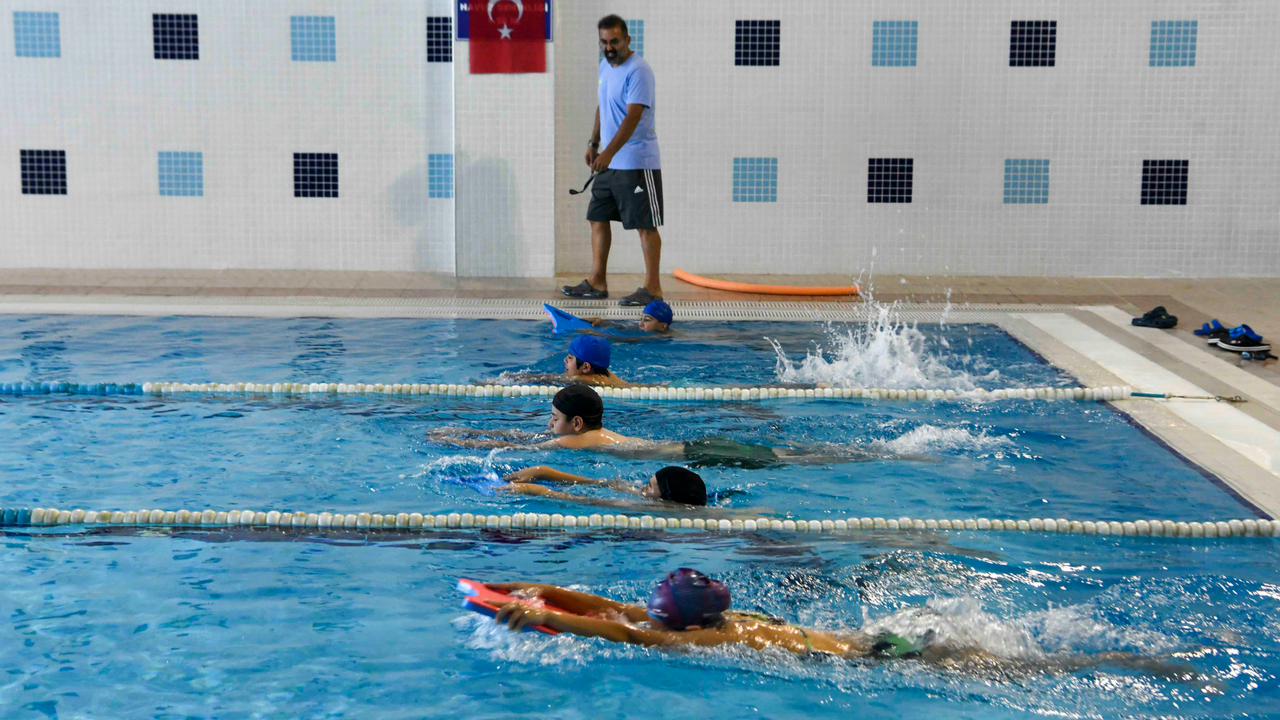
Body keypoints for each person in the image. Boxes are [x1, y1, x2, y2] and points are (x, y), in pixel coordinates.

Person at [482, 569, 1211, 684]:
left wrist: (543, 617)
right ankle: (1136, 654)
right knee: (1025, 655)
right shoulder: (729, 620)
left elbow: (630, 632)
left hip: (887, 656)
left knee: (1037, 671)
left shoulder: (704, 636)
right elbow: (620, 609)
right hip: (881, 637)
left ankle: (1145, 662)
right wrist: (541, 591)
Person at [429, 386, 911, 466]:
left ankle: (894, 455)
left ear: (575, 422)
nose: (548, 427)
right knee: (791, 457)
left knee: (792, 462)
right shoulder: (593, 434)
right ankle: (882, 453)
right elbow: (529, 438)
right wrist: (471, 435)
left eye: (554, 419)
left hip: (700, 455)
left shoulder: (576, 444)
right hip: (696, 447)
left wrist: (466, 443)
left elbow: (526, 449)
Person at [562, 15, 665, 308]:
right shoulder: (605, 67)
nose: (609, 48)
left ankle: (653, 288)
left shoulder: (639, 71)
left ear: (628, 40)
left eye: (615, 41)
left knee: (645, 224)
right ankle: (597, 281)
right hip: (610, 162)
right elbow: (602, 105)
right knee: (597, 216)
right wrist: (594, 143)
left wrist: (608, 152)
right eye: (604, 42)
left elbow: (633, 117)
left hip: (636, 161)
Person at [493, 465, 709, 510]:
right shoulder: (656, 500)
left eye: (650, 487)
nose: (642, 488)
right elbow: (606, 485)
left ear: (667, 502)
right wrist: (544, 472)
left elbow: (589, 501)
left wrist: (542, 492)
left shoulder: (654, 509)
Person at [585, 300, 674, 335]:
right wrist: (602, 322)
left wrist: (599, 335)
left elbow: (628, 340)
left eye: (647, 320)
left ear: (663, 326)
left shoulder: (659, 337)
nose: (641, 323)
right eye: (641, 319)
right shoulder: (643, 328)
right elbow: (621, 326)